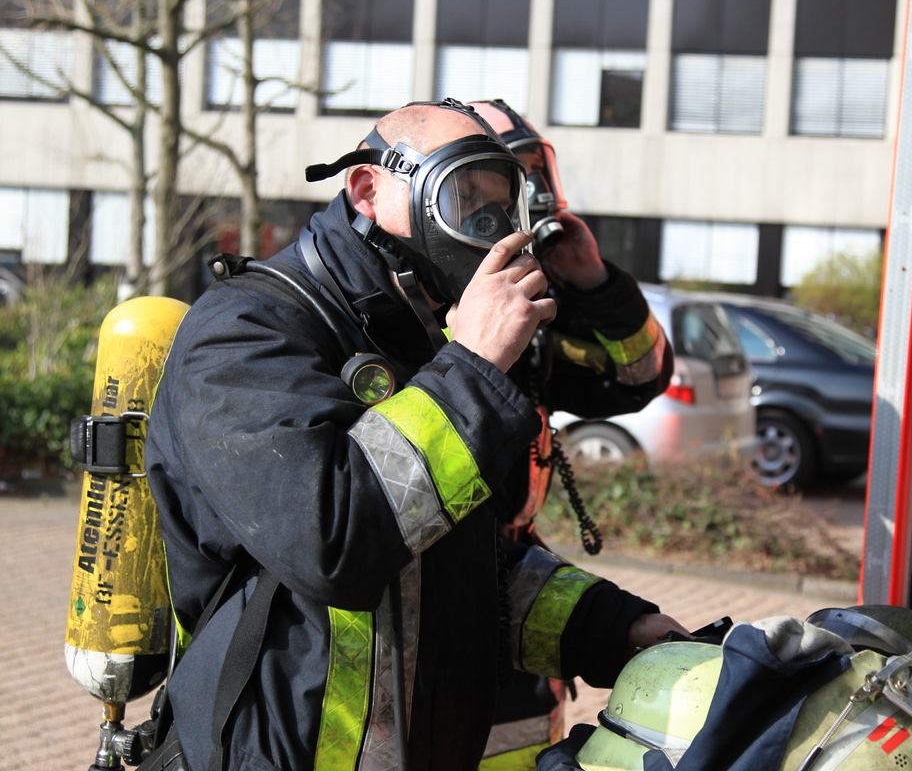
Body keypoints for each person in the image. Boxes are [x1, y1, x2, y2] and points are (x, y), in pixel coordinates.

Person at [145, 98, 686, 771]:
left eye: (498, 209)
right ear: (369, 189)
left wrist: (614, 628)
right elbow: (332, 539)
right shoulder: (248, 330)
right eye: (463, 198)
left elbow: (458, 566)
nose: (486, 231)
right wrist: (473, 365)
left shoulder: (418, 337)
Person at [467, 99, 660, 770]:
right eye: (504, 182)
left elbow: (637, 378)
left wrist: (595, 282)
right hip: (433, 634)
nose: (527, 200)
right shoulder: (399, 320)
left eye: (532, 176)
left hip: (517, 607)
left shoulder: (537, 310)